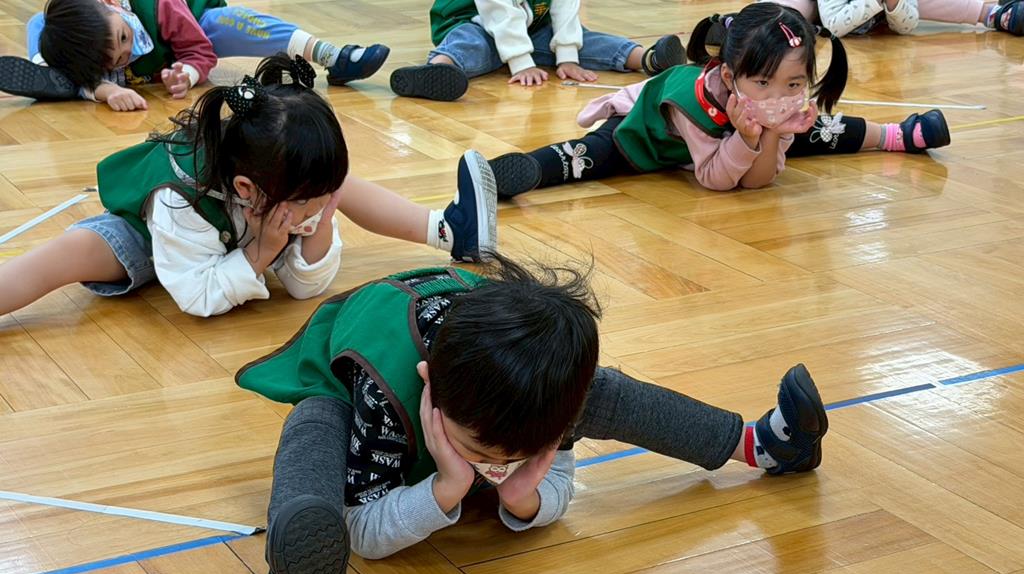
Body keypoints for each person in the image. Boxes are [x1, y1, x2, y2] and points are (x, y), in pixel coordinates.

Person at [234, 257, 830, 574]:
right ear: (430, 386)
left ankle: (765, 444)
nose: (494, 471)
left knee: (608, 391)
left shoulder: (554, 397)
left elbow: (557, 480)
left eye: (515, 459)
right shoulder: (382, 389)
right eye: (483, 455)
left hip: (488, 381)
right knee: (314, 423)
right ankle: (295, 572)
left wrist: (525, 498)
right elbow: (366, 530)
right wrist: (444, 488)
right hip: (357, 375)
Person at [0, 54, 497, 320]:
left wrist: (321, 222)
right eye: (310, 201)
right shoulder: (178, 195)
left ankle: (450, 230)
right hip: (147, 232)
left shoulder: (285, 190)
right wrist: (261, 251)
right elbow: (195, 296)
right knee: (65, 257)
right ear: (247, 187)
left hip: (234, 226)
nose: (317, 208)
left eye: (322, 197)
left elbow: (304, 288)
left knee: (332, 190)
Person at [487, 3, 950, 197]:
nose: (780, 96)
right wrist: (747, 140)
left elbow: (758, 182)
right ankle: (519, 172)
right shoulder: (693, 102)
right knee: (589, 156)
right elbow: (714, 179)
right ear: (730, 76)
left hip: (730, 134)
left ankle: (896, 134)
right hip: (648, 132)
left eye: (794, 84)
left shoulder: (772, 102)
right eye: (764, 83)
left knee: (819, 130)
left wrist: (769, 134)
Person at [0, 0, 390, 107]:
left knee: (227, 22)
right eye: (118, 59)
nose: (128, 50)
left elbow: (201, 52)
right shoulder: (92, 44)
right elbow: (97, 71)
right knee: (40, 21)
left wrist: (186, 74)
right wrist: (106, 89)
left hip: (197, 29)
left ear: (112, 5)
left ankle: (334, 56)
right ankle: (53, 73)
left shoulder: (161, 7)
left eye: (123, 37)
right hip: (84, 58)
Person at [389, 0, 687, 102]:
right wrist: (521, 61)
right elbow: (499, 11)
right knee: (472, 44)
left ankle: (648, 58)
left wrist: (567, 54)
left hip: (533, 26)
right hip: (477, 21)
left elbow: (566, 7)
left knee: (585, 37)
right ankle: (441, 69)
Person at [758, 0, 1023, 38]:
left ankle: (992, 14)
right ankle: (753, 24)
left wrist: (893, 3)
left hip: (867, 15)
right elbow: (834, 26)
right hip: (824, 9)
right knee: (789, 13)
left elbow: (906, 25)